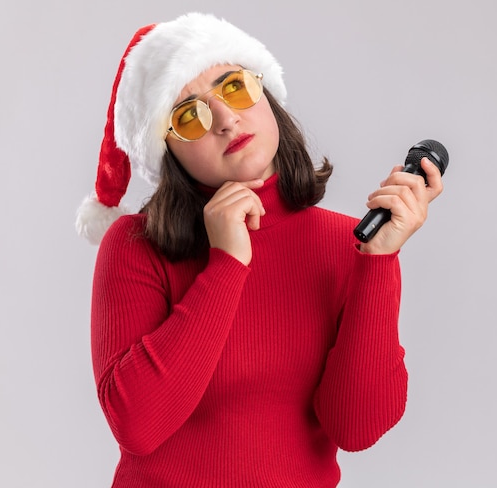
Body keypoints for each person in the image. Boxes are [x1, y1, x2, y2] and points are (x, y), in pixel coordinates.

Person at [76, 12, 443, 488]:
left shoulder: (348, 245)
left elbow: (357, 427)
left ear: (265, 95)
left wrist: (378, 264)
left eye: (234, 88)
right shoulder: (135, 246)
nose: (226, 120)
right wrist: (225, 265)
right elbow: (138, 427)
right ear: (168, 151)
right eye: (189, 115)